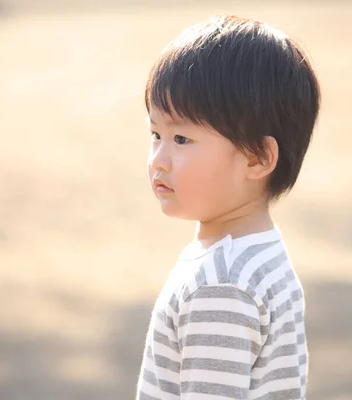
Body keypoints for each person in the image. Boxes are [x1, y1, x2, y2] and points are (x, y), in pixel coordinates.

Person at [137, 15, 320, 400]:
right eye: (156, 134)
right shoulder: (258, 252)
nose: (158, 159)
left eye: (182, 138)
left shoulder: (221, 285)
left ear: (257, 157)